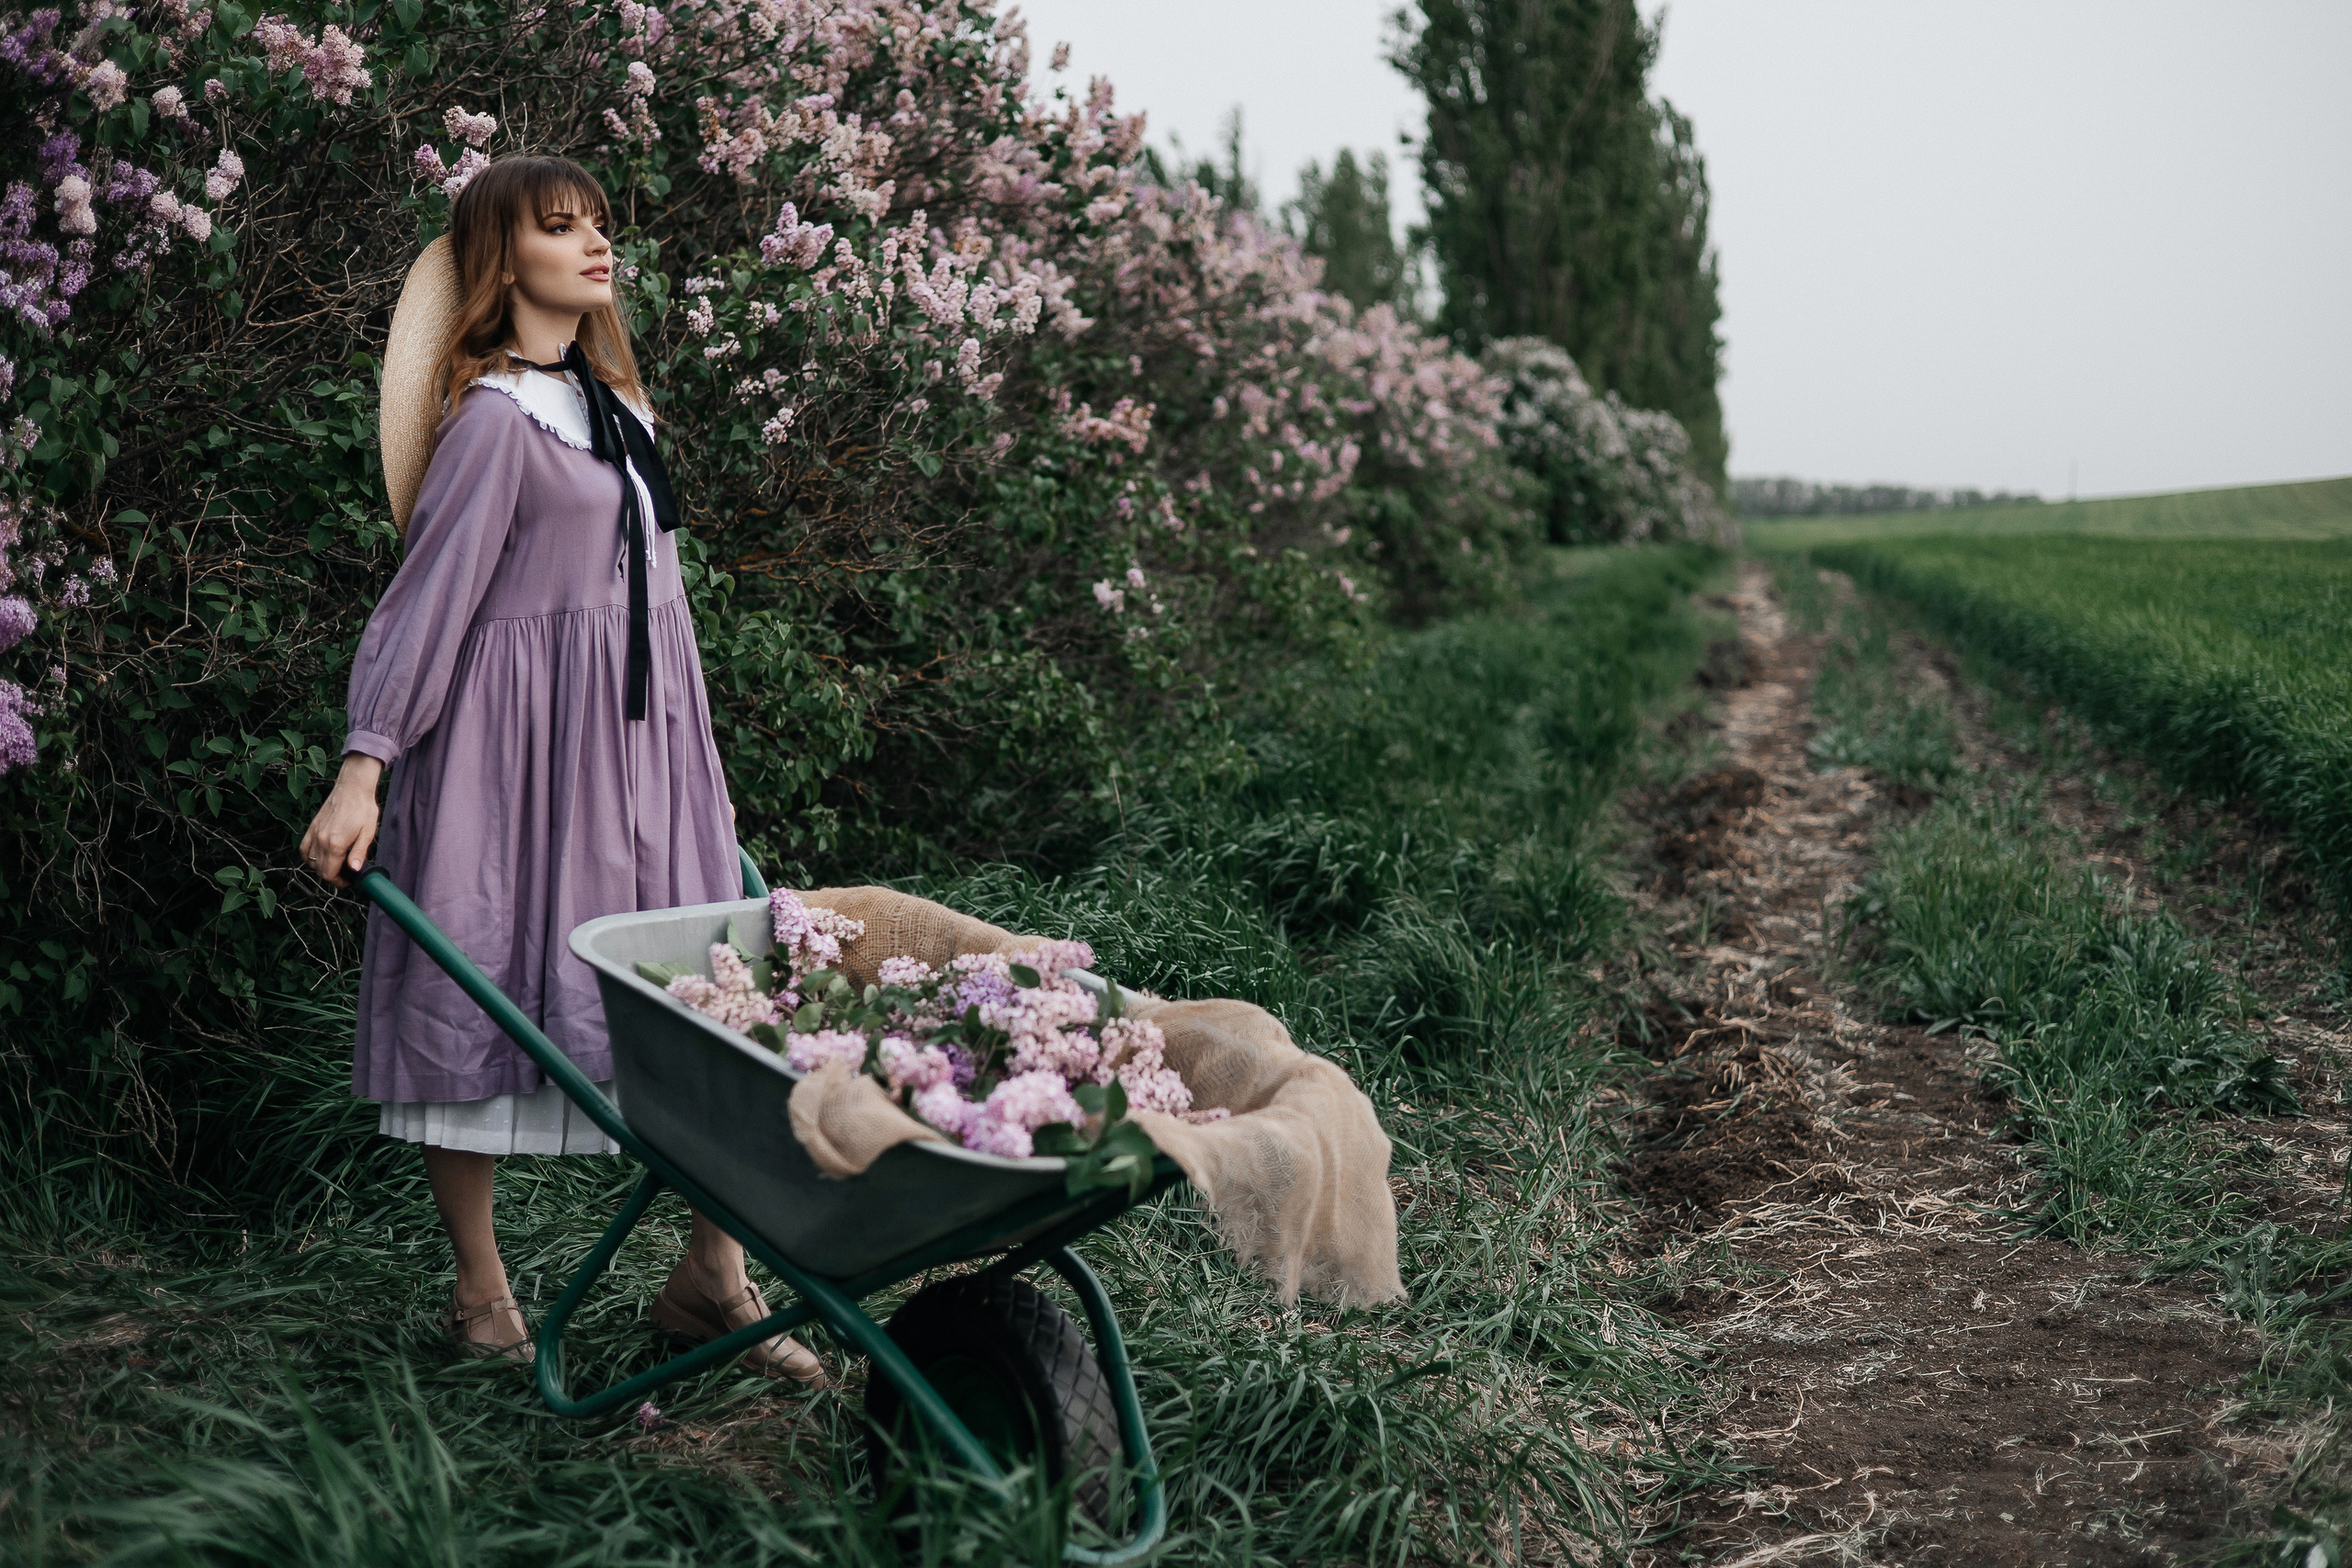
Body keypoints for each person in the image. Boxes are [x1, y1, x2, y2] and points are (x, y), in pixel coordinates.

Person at [298, 154, 823, 1383]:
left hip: (647, 751)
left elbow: (662, 614)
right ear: (504, 258)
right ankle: (482, 1295)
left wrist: (698, 764)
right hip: (518, 752)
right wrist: (363, 766)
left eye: (598, 223)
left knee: (706, 995)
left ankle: (711, 1276)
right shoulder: (491, 422)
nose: (595, 244)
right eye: (559, 227)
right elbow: (428, 603)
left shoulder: (622, 415)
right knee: (478, 969)